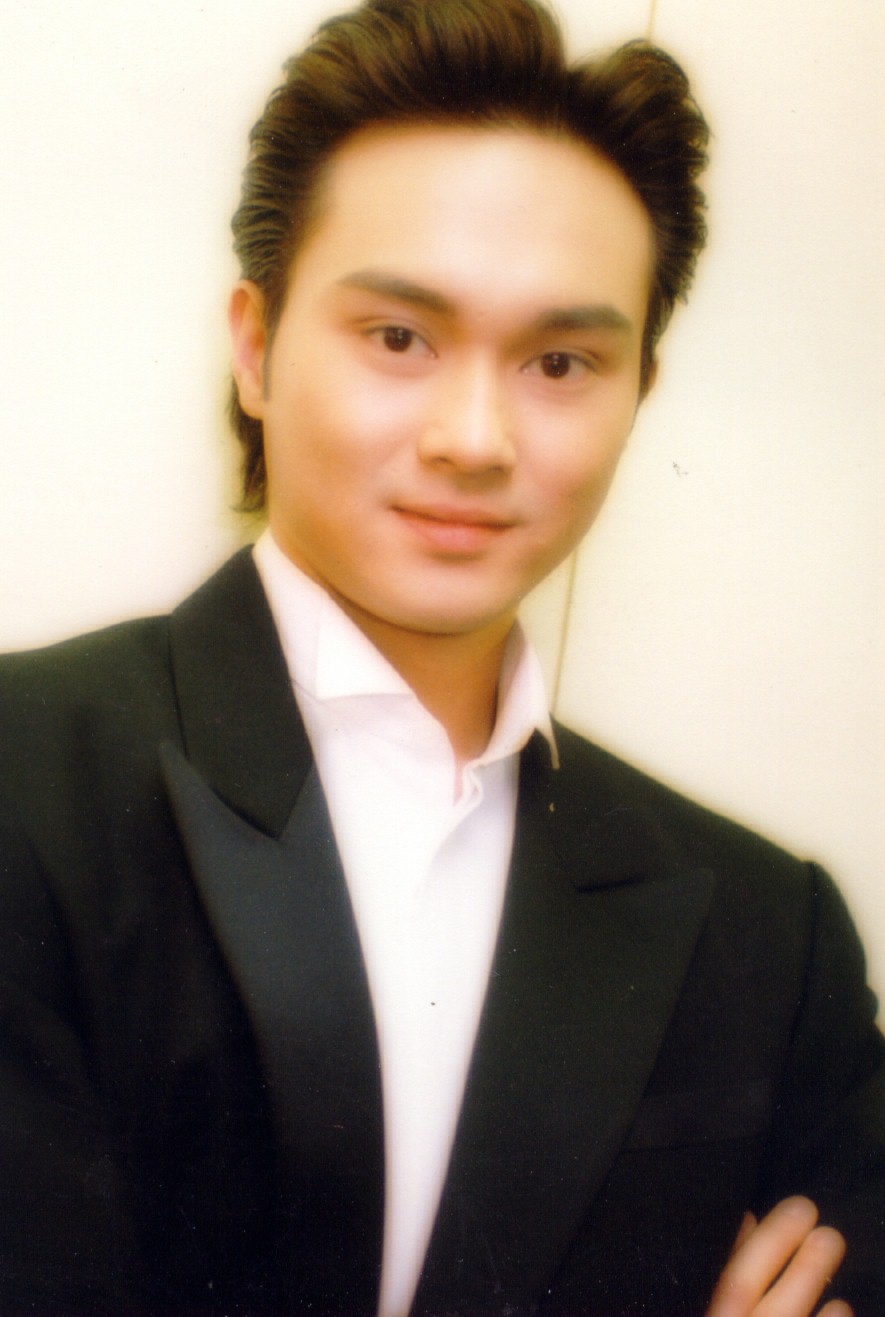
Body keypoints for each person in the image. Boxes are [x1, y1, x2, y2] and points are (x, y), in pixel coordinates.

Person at [0, 1, 881, 1314]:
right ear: (256, 347)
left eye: (560, 361)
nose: (474, 437)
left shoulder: (769, 938)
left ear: (637, 394)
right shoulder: (26, 781)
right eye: (399, 338)